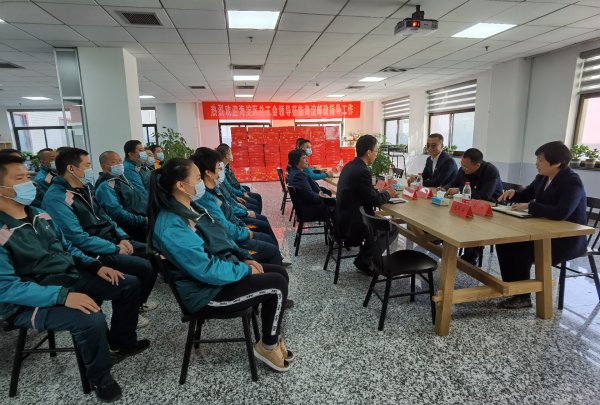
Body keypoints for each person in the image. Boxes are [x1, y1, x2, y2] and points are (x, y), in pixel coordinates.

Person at [0, 154, 149, 402]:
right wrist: (63, 297)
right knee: (90, 318)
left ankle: (120, 343)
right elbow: (6, 288)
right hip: (28, 301)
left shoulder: (39, 214)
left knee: (128, 284)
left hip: (67, 277)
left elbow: (68, 247)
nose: (28, 183)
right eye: (19, 179)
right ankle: (100, 378)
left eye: (27, 176)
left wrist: (95, 266)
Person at [146, 158, 294, 371]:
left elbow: (220, 238)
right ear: (181, 185)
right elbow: (206, 269)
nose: (201, 183)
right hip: (206, 294)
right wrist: (243, 270)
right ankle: (268, 346)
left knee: (280, 273)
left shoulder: (190, 207)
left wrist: (243, 257)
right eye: (197, 178)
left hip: (219, 275)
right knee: (276, 285)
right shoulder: (171, 225)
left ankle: (271, 335)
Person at [42, 147, 158, 328]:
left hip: (110, 240)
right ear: (71, 169)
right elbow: (78, 238)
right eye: (87, 165)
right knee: (141, 269)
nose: (90, 169)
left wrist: (123, 237)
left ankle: (136, 306)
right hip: (91, 251)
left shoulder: (85, 188)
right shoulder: (57, 198)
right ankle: (128, 317)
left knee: (153, 254)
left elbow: (105, 216)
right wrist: (115, 248)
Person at [495, 141, 588, 309]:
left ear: (557, 162)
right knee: (504, 242)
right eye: (537, 159)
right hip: (543, 229)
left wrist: (531, 206)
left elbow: (562, 212)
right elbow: (527, 194)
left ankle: (523, 296)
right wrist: (514, 193)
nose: (536, 164)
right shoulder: (542, 177)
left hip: (564, 239)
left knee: (519, 246)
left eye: (540, 160)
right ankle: (515, 289)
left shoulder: (571, 181)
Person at [191, 148, 283, 266]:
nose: (221, 171)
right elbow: (223, 227)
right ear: (208, 172)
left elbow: (228, 208)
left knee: (265, 234)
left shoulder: (214, 188)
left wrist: (242, 225)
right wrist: (244, 231)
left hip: (234, 232)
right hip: (230, 244)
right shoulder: (204, 198)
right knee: (271, 248)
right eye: (219, 168)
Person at [336, 134, 396, 275]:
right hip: (352, 222)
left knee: (381, 223)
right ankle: (365, 260)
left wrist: (379, 191)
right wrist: (388, 194)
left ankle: (364, 258)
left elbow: (362, 192)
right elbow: (375, 201)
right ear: (369, 152)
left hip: (342, 216)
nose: (376, 154)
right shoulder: (362, 171)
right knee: (391, 228)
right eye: (376, 151)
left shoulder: (350, 166)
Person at [441, 148, 503, 265]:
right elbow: (454, 183)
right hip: (469, 203)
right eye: (462, 164)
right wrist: (444, 188)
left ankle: (470, 258)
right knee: (449, 216)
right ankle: (447, 246)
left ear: (477, 165)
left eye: (466, 166)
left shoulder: (491, 171)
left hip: (490, 208)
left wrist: (459, 190)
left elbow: (484, 195)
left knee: (472, 223)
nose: (463, 168)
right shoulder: (464, 168)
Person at [95, 151, 147, 242]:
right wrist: (143, 220)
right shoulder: (105, 186)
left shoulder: (121, 179)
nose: (119, 164)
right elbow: (117, 213)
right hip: (131, 229)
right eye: (114, 162)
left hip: (142, 221)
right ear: (104, 166)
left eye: (120, 161)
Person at [287, 149, 335, 220]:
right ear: (296, 161)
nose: (307, 161)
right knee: (340, 207)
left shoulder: (294, 172)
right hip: (309, 210)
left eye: (306, 158)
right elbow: (311, 197)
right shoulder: (299, 175)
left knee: (330, 197)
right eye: (304, 158)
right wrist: (325, 198)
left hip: (305, 207)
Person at [216, 143, 263, 213]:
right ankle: (256, 215)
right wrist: (241, 194)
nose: (232, 155)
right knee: (255, 202)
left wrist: (243, 191)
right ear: (226, 156)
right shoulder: (221, 172)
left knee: (250, 192)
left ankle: (256, 215)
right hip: (233, 198)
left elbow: (235, 182)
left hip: (234, 195)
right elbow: (229, 188)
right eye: (230, 152)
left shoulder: (227, 167)